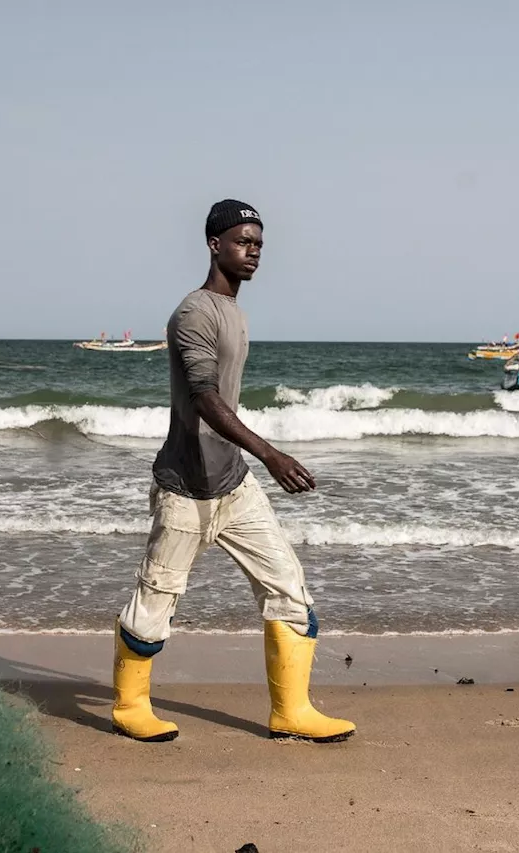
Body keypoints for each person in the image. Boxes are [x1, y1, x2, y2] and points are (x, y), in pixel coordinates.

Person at [112, 199, 355, 745]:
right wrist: (272, 454)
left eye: (260, 244)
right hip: (186, 489)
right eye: (244, 242)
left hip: (233, 485)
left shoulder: (235, 312)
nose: (254, 252)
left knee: (289, 590)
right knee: (156, 602)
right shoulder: (194, 313)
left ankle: (290, 712)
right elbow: (204, 400)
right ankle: (129, 706)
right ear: (214, 244)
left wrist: (253, 462)